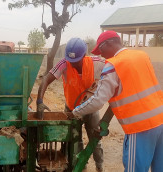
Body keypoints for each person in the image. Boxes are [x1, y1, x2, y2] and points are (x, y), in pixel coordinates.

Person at [72, 30, 163, 172]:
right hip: (160, 121)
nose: (101, 54)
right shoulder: (142, 56)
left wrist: (76, 111)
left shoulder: (113, 65)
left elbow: (97, 101)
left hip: (140, 127)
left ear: (109, 43)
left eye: (101, 49)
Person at [37, 38, 104, 171]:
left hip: (90, 109)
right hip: (71, 109)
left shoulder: (97, 63)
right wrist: (39, 101)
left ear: (84, 56)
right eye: (70, 60)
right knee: (74, 141)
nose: (72, 63)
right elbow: (46, 78)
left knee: (95, 140)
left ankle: (99, 166)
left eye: (75, 61)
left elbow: (115, 69)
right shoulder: (64, 63)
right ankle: (80, 166)